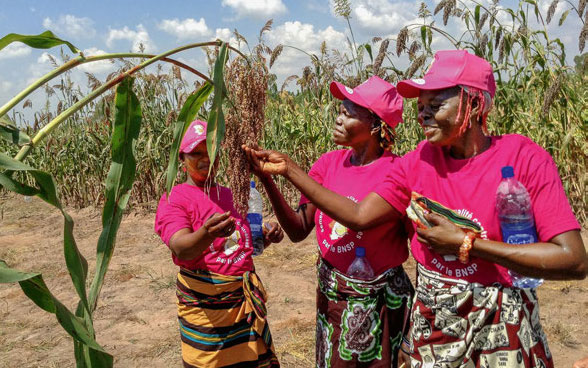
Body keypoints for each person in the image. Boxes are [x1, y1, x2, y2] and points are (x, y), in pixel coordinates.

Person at [244, 50, 587, 367]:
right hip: (435, 329)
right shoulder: (416, 163)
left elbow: (573, 260)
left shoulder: (522, 158)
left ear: (476, 102)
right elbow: (359, 216)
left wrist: (468, 244)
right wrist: (285, 172)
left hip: (504, 329)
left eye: (436, 102)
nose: (422, 112)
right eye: (421, 104)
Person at [246, 76, 414, 367]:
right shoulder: (328, 164)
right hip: (334, 299)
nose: (337, 119)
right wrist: (268, 180)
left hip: (382, 303)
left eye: (347, 114)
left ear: (375, 125)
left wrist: (289, 169)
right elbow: (299, 229)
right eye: (339, 111)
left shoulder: (396, 172)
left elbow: (359, 217)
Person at [155, 119, 283, 368]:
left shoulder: (231, 194)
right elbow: (181, 247)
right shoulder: (176, 197)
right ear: (182, 160)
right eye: (197, 153)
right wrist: (206, 233)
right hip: (207, 312)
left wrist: (264, 239)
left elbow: (238, 245)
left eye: (212, 152)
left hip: (242, 310)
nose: (206, 159)